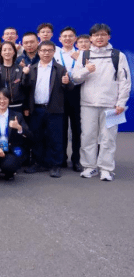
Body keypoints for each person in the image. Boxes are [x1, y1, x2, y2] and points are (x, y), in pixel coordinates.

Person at [72, 23, 130, 181]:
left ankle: (106, 168)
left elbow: (125, 81)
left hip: (111, 105)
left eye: (103, 35)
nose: (99, 38)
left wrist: (121, 103)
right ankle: (89, 167)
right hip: (88, 104)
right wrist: (86, 70)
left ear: (108, 37)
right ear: (90, 38)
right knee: (88, 136)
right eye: (96, 35)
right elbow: (75, 78)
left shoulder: (118, 55)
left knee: (108, 138)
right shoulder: (84, 55)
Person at [23, 40, 73, 178]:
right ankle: (38, 163)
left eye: (49, 50)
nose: (46, 53)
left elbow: (69, 88)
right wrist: (25, 75)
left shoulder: (60, 69)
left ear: (54, 52)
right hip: (36, 109)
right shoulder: (32, 68)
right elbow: (26, 89)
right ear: (39, 52)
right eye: (43, 50)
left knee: (55, 138)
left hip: (54, 109)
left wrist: (67, 83)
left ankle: (56, 165)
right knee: (36, 137)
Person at [0, 88, 32, 181]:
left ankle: (8, 172)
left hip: (11, 149)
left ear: (9, 100)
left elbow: (29, 135)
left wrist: (19, 127)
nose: (2, 101)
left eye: (5, 98)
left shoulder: (17, 115)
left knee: (10, 165)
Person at [55, 26, 82, 171]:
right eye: (64, 36)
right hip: (60, 92)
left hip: (77, 92)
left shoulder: (82, 54)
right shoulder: (55, 53)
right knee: (61, 128)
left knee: (77, 128)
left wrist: (80, 60)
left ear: (75, 39)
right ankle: (62, 158)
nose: (67, 39)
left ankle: (77, 159)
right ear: (60, 39)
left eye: (70, 36)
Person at [0, 41, 28, 115]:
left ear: (14, 52)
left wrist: (26, 107)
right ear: (1, 53)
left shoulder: (21, 69)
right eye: (4, 50)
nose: (7, 52)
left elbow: (26, 89)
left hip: (18, 106)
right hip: (0, 106)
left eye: (10, 49)